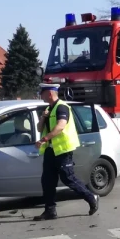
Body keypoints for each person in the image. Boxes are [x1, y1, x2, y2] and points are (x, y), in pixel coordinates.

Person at [34, 82, 98, 221]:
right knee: (47, 182)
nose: (40, 95)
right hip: (51, 151)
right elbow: (39, 128)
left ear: (50, 93)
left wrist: (44, 139)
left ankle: (91, 197)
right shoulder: (49, 109)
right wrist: (43, 118)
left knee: (68, 178)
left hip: (63, 151)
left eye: (42, 93)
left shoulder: (62, 107)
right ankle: (50, 211)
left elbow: (60, 126)